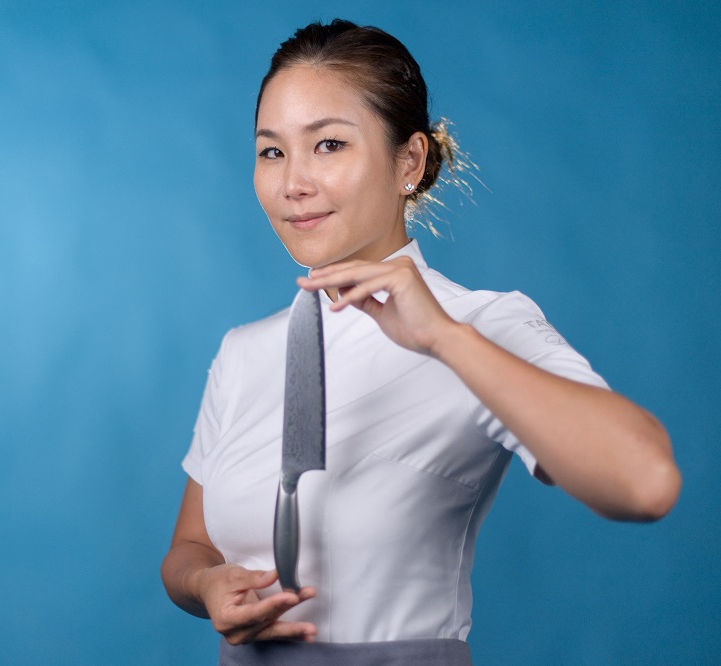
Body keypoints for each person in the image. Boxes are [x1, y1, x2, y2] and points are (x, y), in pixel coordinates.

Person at [161, 19, 681, 665]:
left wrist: (443, 338)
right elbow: (189, 549)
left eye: (328, 144)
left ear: (409, 161)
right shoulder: (246, 351)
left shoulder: (479, 325)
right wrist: (207, 584)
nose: (293, 182)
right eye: (272, 152)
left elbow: (645, 482)